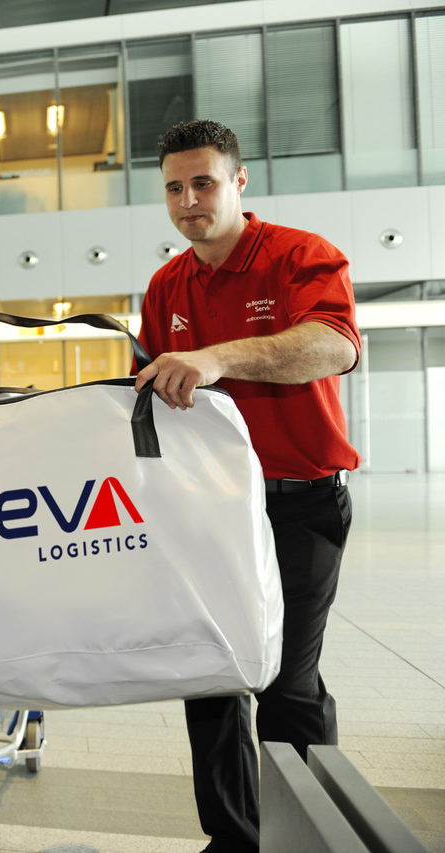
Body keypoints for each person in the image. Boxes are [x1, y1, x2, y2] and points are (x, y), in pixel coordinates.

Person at [133, 119, 360, 853]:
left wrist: (216, 357)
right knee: (210, 677)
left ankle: (308, 838)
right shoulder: (166, 285)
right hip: (206, 511)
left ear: (238, 181)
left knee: (286, 680)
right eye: (174, 187)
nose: (188, 201)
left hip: (298, 502)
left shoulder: (299, 256)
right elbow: (145, 392)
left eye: (203, 183)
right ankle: (234, 839)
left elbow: (333, 345)